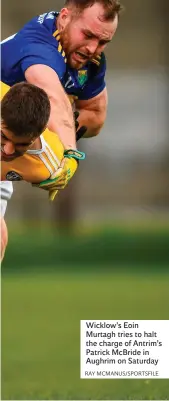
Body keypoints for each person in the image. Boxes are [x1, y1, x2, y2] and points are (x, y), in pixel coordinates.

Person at [1, 0, 122, 184]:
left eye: (103, 42)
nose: (92, 48)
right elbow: (53, 98)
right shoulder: (39, 46)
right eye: (87, 35)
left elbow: (95, 116)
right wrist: (69, 153)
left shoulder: (91, 61)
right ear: (64, 17)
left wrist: (57, 127)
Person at [0, 81, 82, 261]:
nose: (8, 150)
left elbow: (61, 111)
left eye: (21, 144)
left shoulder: (48, 165)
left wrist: (71, 161)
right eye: (3, 136)